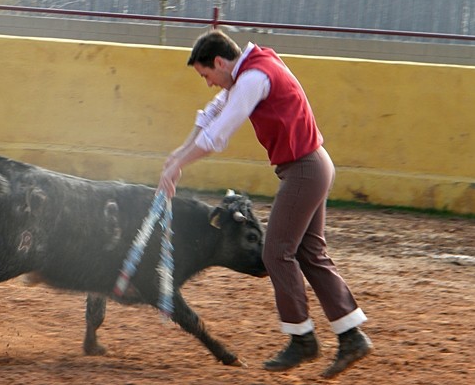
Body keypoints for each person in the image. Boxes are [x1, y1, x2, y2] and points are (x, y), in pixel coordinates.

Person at [158, 29, 372, 378]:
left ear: (220, 62)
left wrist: (177, 167)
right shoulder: (254, 67)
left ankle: (302, 338)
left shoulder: (253, 77)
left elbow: (217, 135)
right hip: (312, 165)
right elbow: (210, 114)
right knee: (309, 253)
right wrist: (179, 154)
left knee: (276, 252)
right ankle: (351, 336)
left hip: (305, 170)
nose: (209, 83)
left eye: (207, 75)